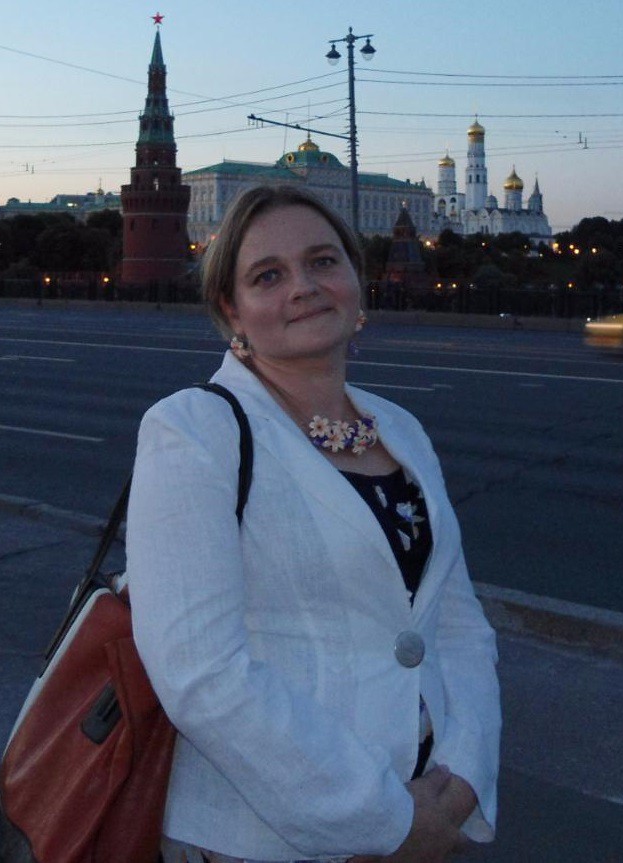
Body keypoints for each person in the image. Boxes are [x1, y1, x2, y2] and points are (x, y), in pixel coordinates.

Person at [127, 184, 500, 863]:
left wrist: (465, 777)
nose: (303, 286)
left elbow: (456, 623)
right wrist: (384, 819)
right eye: (268, 275)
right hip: (263, 839)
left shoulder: (401, 429)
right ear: (231, 309)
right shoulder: (193, 429)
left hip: (428, 804)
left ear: (356, 280)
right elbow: (201, 674)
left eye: (323, 261)